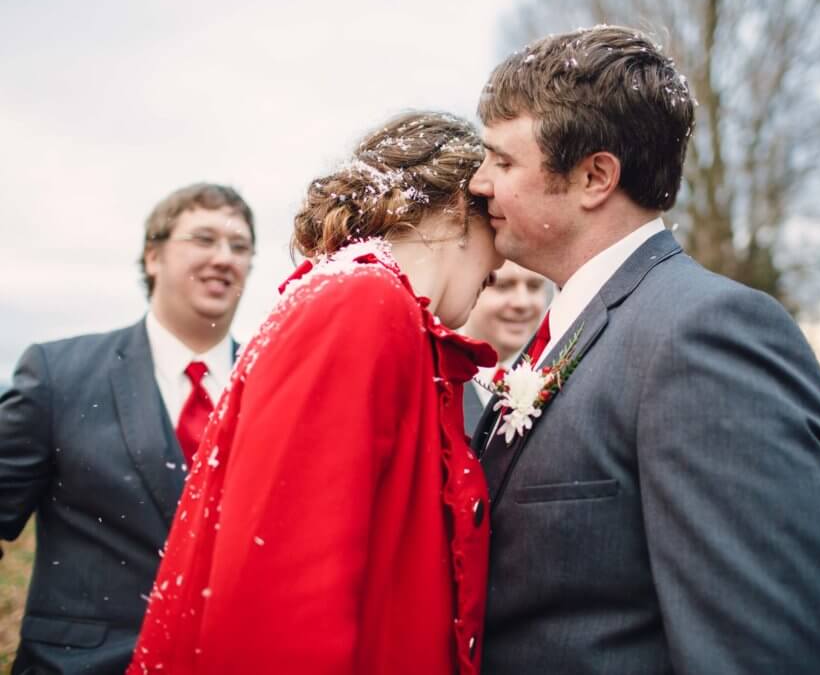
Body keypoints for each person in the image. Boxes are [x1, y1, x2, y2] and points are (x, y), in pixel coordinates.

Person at [468, 25, 820, 673]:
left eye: (503, 162)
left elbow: (762, 651)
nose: (479, 183)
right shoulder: (569, 326)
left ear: (594, 176)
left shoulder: (704, 335)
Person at [128, 111, 502, 675]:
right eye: (492, 231)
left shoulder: (373, 303)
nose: (498, 264)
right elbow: (286, 579)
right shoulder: (360, 303)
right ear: (455, 204)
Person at [0, 182, 255, 674]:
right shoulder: (57, 374)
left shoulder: (276, 385)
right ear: (153, 256)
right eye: (203, 239)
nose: (224, 257)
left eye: (240, 246)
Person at [460, 261, 548, 433]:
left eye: (534, 286)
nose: (522, 303)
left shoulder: (556, 376)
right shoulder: (434, 370)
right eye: (503, 286)